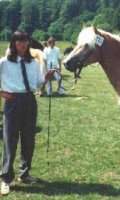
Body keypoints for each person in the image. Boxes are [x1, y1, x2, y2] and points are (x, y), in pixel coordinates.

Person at [0, 30, 56, 196]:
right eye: (19, 42)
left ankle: (24, 174)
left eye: (25, 41)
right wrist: (1, 92)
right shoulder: (4, 62)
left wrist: (46, 76)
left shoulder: (33, 63)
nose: (23, 45)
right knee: (10, 141)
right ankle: (5, 179)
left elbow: (38, 83)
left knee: (28, 139)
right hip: (12, 102)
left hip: (30, 101)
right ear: (14, 43)